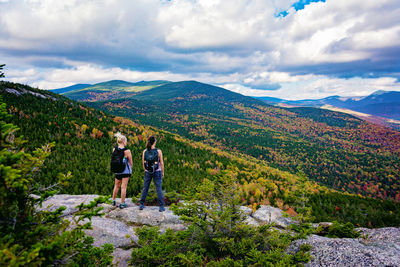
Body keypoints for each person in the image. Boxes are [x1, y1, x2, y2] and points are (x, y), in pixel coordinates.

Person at [139, 135, 165, 212]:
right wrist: (162, 172)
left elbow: (143, 162)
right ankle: (161, 206)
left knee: (145, 187)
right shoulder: (158, 151)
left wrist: (145, 170)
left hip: (148, 171)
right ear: (154, 142)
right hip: (157, 171)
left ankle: (141, 204)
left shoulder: (145, 151)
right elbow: (162, 163)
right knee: (158, 188)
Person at [111, 132, 133, 209]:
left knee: (116, 186)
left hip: (117, 170)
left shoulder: (114, 149)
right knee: (123, 187)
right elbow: (131, 162)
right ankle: (122, 203)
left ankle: (113, 200)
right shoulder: (127, 151)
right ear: (124, 141)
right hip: (125, 171)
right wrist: (131, 168)